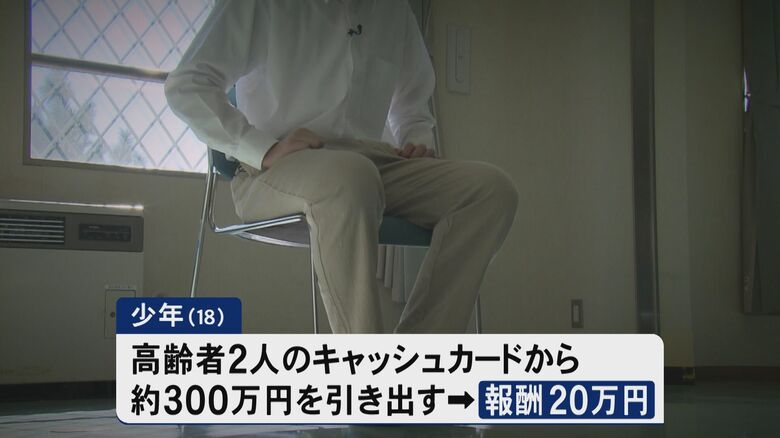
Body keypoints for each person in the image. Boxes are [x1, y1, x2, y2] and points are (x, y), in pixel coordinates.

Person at [165, 0, 518, 334]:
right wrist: (263, 148)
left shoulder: (393, 9)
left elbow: (413, 100)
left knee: (490, 191)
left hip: (372, 162)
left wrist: (416, 139)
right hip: (277, 167)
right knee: (351, 177)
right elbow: (187, 84)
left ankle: (416, 361)